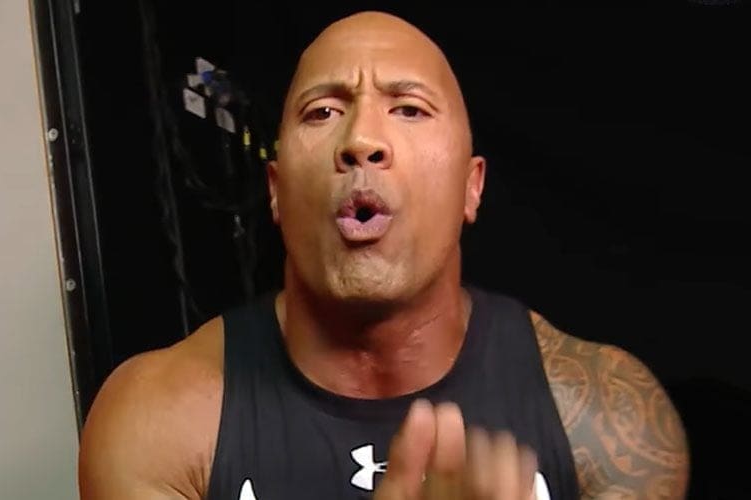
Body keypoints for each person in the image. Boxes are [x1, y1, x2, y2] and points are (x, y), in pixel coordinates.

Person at [78, 10, 690, 500]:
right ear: (276, 191)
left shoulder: (606, 417)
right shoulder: (157, 420)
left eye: (409, 109)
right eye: (323, 112)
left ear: (471, 187)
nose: (362, 140)